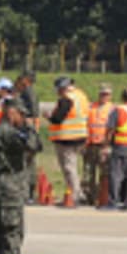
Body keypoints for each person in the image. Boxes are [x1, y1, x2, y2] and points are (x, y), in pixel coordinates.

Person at [0, 97, 42, 254]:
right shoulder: (8, 132)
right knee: (12, 228)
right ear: (11, 112)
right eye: (21, 115)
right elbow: (34, 145)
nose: (23, 119)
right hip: (10, 185)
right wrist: (31, 128)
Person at [47, 76, 89, 206]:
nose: (58, 93)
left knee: (69, 167)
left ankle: (74, 194)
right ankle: (77, 192)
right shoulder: (81, 96)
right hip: (80, 135)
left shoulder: (67, 99)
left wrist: (50, 116)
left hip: (67, 137)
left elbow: (58, 118)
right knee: (73, 166)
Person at [84, 84, 115, 207]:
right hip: (91, 144)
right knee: (88, 174)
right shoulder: (91, 107)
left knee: (105, 173)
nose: (104, 96)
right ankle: (90, 197)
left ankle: (102, 197)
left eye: (106, 94)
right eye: (102, 94)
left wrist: (108, 144)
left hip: (104, 144)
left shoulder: (112, 109)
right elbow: (86, 124)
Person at [16, 71, 40, 204]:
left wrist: (33, 134)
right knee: (29, 164)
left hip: (28, 132)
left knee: (26, 163)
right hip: (29, 131)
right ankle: (29, 193)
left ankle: (26, 194)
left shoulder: (28, 93)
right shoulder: (27, 92)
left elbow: (34, 115)